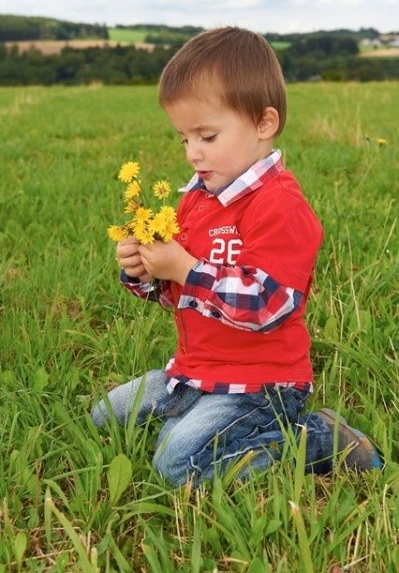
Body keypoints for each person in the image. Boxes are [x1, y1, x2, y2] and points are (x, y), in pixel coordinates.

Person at [92, 27, 381, 486]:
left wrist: (186, 268)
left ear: (264, 123)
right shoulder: (196, 200)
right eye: (183, 139)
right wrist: (146, 272)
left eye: (206, 135)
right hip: (194, 372)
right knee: (105, 416)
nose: (192, 154)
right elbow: (179, 297)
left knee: (177, 464)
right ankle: (195, 417)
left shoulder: (279, 205)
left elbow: (267, 306)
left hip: (261, 385)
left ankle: (320, 437)